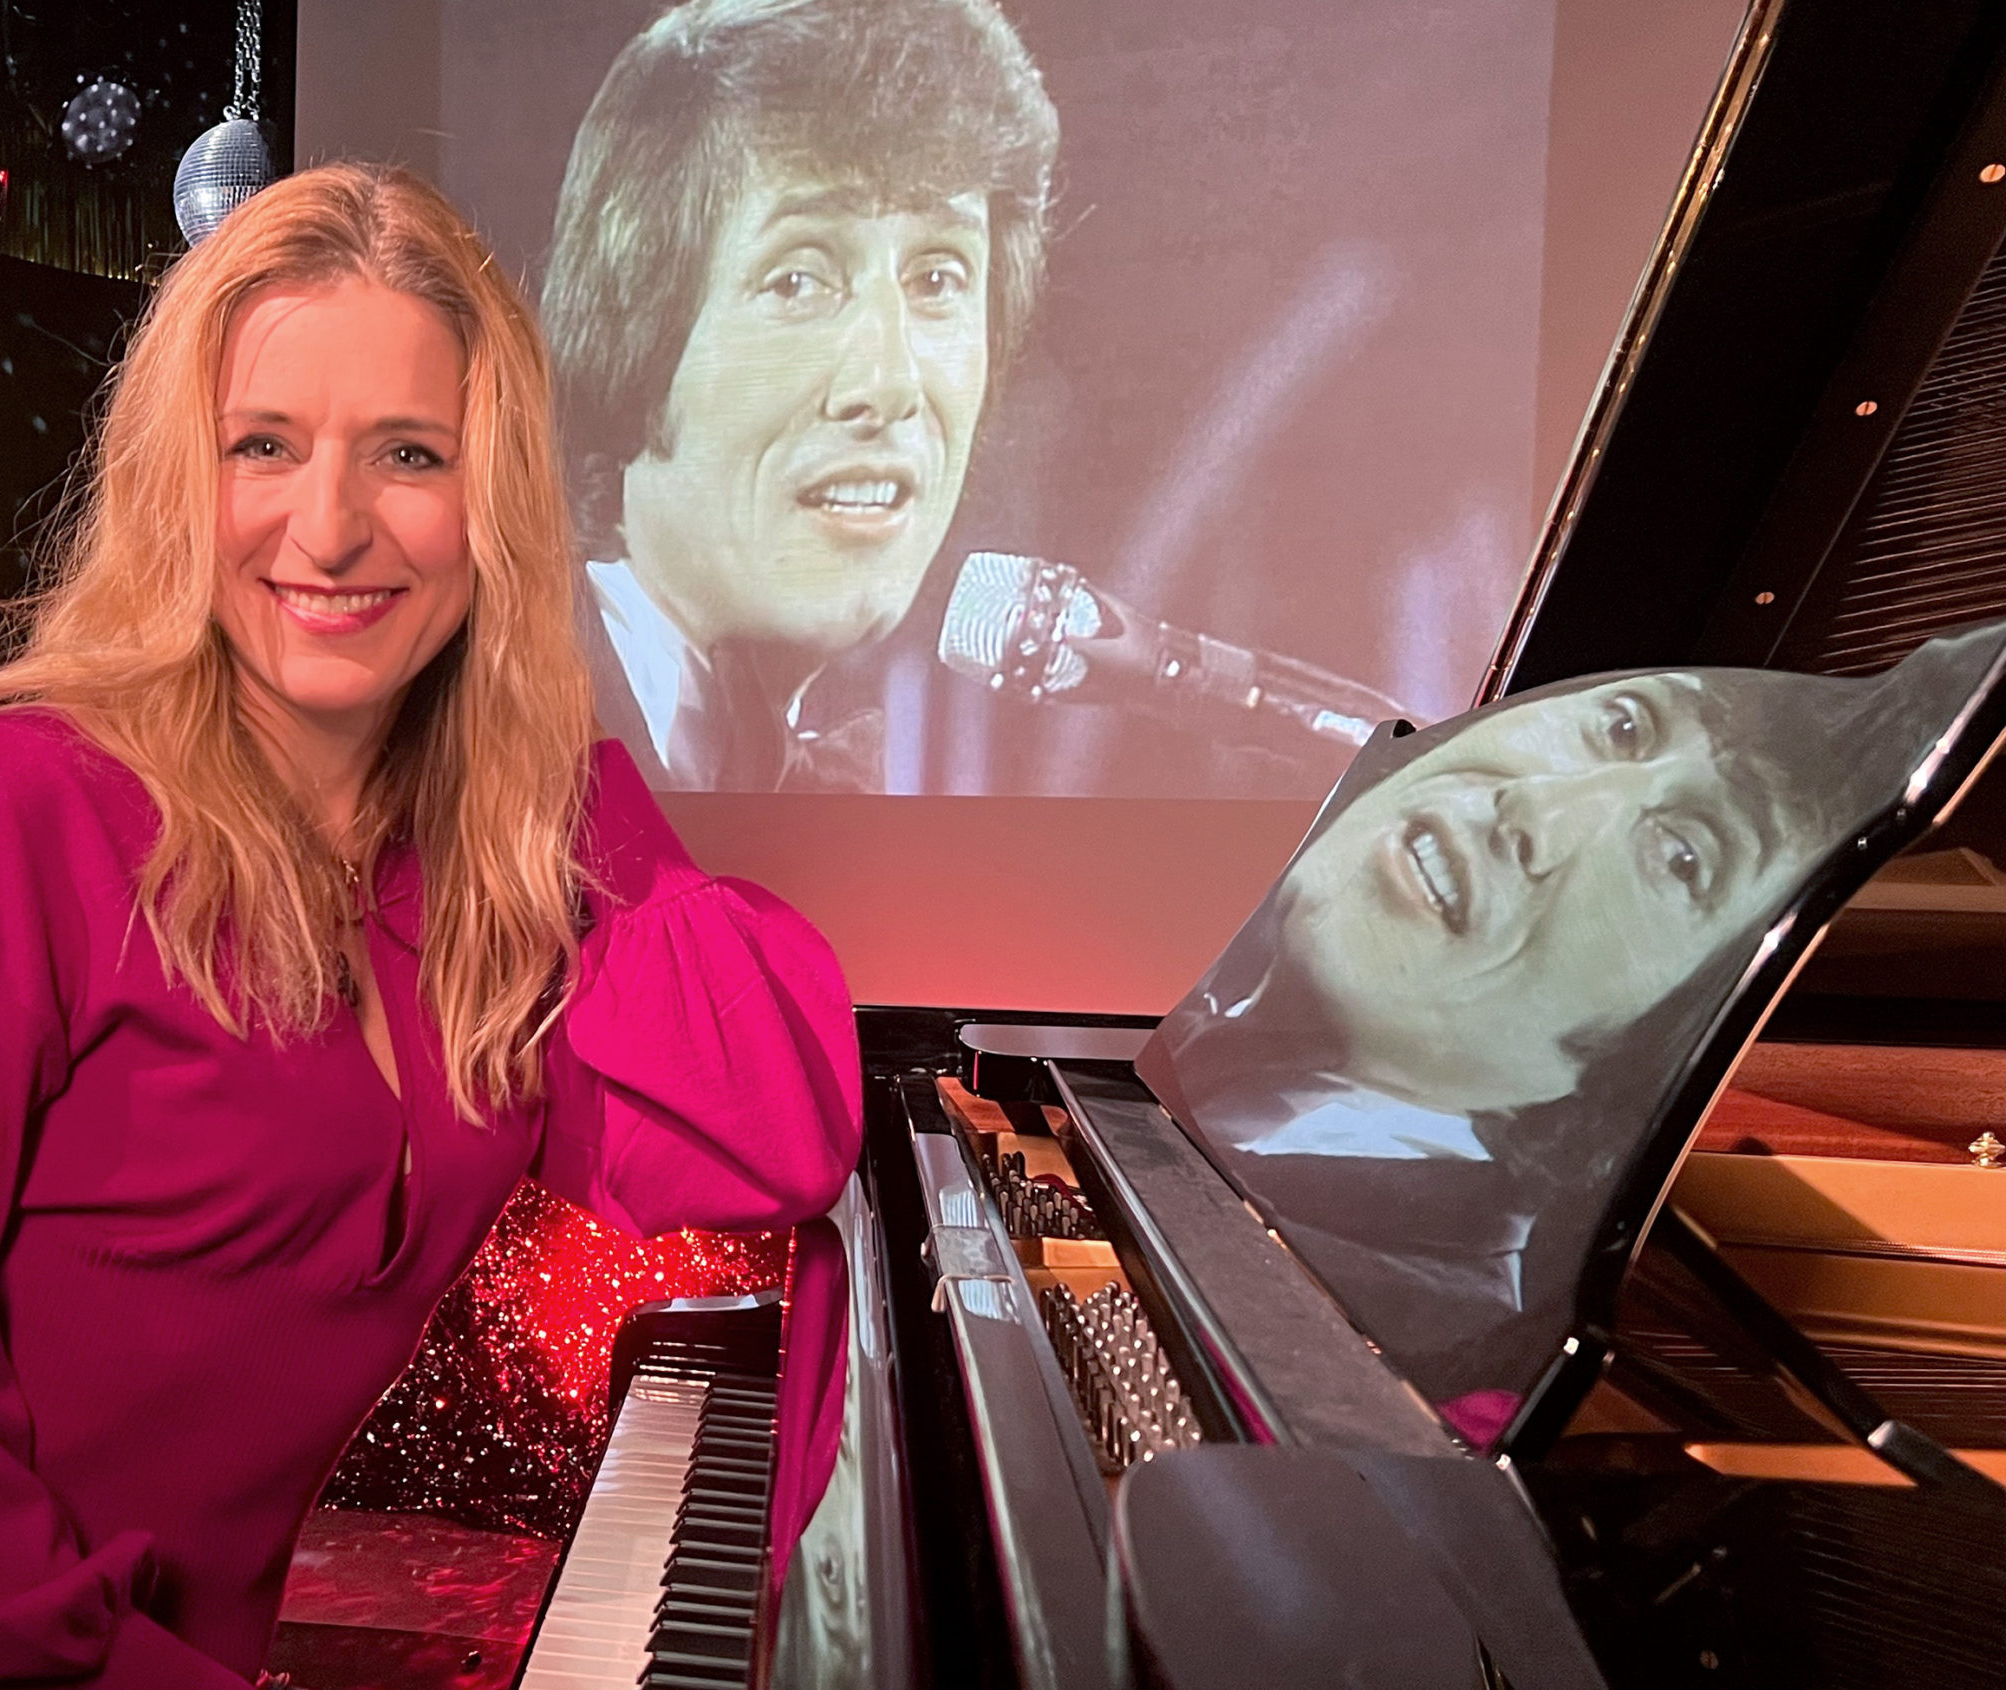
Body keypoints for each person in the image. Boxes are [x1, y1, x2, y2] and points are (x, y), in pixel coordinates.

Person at [0, 165, 861, 1689]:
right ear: (183, 480)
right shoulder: (12, 811)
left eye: (411, 454)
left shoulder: (484, 876)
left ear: (489, 506)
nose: (332, 525)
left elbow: (775, 1122)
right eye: (264, 446)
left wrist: (544, 765)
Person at [1152, 627, 2006, 1422]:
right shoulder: (1203, 1072)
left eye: (1682, 856)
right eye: (1625, 727)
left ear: (1641, 1051)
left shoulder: (1440, 1358)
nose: (1532, 810)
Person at [541, 0, 1059, 791]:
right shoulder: (465, 730)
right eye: (798, 281)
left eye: (937, 278)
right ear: (630, 323)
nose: (888, 384)